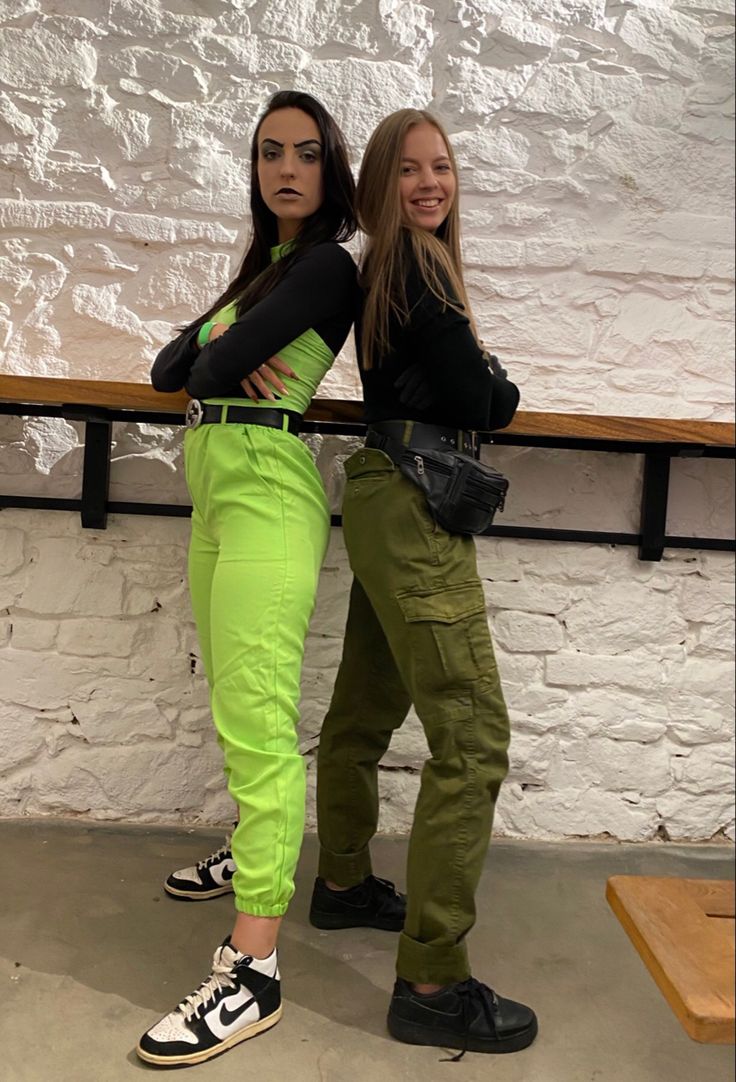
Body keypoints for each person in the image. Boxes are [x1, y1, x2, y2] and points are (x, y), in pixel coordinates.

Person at [138, 90, 361, 1069]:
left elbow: (207, 362)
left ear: (330, 167)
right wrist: (218, 354)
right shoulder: (266, 266)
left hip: (269, 493)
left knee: (261, 723)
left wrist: (220, 355)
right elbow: (171, 368)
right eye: (270, 151)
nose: (286, 167)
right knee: (232, 698)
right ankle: (251, 850)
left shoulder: (323, 265)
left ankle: (254, 970)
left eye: (305, 153)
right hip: (218, 495)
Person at [310, 109, 538, 1058]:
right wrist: (484, 379)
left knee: (367, 705)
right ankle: (433, 980)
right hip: (416, 498)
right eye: (408, 169)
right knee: (474, 739)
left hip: (381, 490)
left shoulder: (386, 273)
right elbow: (488, 402)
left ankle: (345, 884)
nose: (429, 183)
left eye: (441, 167)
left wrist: (479, 383)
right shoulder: (417, 266)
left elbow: (479, 394)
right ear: (376, 185)